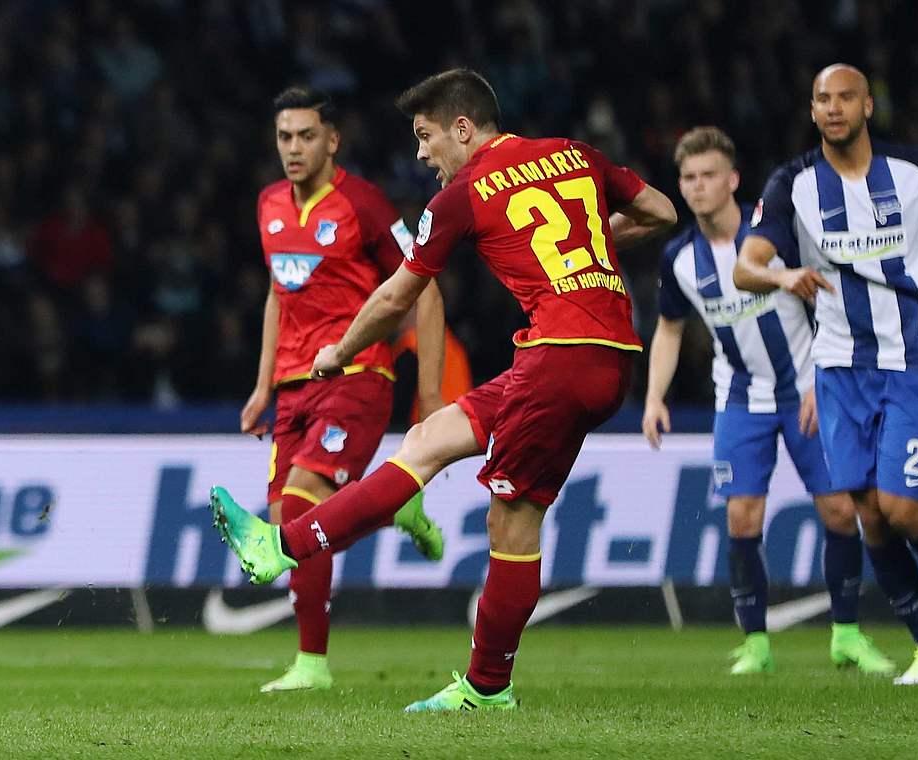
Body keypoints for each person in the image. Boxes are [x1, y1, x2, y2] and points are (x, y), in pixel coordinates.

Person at [212, 69, 677, 710]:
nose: (422, 153)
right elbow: (661, 210)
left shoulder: (461, 194)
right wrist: (590, 244)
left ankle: (484, 687)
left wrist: (341, 351)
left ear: (463, 127)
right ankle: (286, 544)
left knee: (512, 522)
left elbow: (400, 294)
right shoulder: (575, 154)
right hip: (607, 353)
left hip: (558, 358)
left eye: (427, 137)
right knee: (429, 440)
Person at [734, 64, 918, 685]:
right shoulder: (792, 184)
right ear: (812, 110)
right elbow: (746, 267)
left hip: (911, 356)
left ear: (869, 105)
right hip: (840, 366)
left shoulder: (915, 171)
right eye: (823, 98)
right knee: (867, 511)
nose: (835, 107)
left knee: (900, 505)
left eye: (847, 96)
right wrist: (781, 276)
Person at [645, 126, 893, 675]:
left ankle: (847, 635)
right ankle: (756, 645)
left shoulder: (776, 233)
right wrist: (654, 397)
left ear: (733, 180)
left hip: (807, 388)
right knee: (741, 517)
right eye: (688, 177)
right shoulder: (679, 258)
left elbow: (832, 298)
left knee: (839, 508)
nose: (698, 186)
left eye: (710, 175)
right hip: (739, 397)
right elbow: (668, 328)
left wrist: (824, 380)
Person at [239, 86, 447, 693]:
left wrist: (429, 396)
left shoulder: (364, 204)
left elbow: (425, 289)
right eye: (285, 137)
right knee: (286, 526)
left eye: (306, 136)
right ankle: (392, 505)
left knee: (302, 506)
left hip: (356, 375)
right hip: (290, 387)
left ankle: (312, 666)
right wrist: (261, 385)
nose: (294, 148)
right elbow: (280, 294)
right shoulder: (269, 204)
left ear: (333, 141)